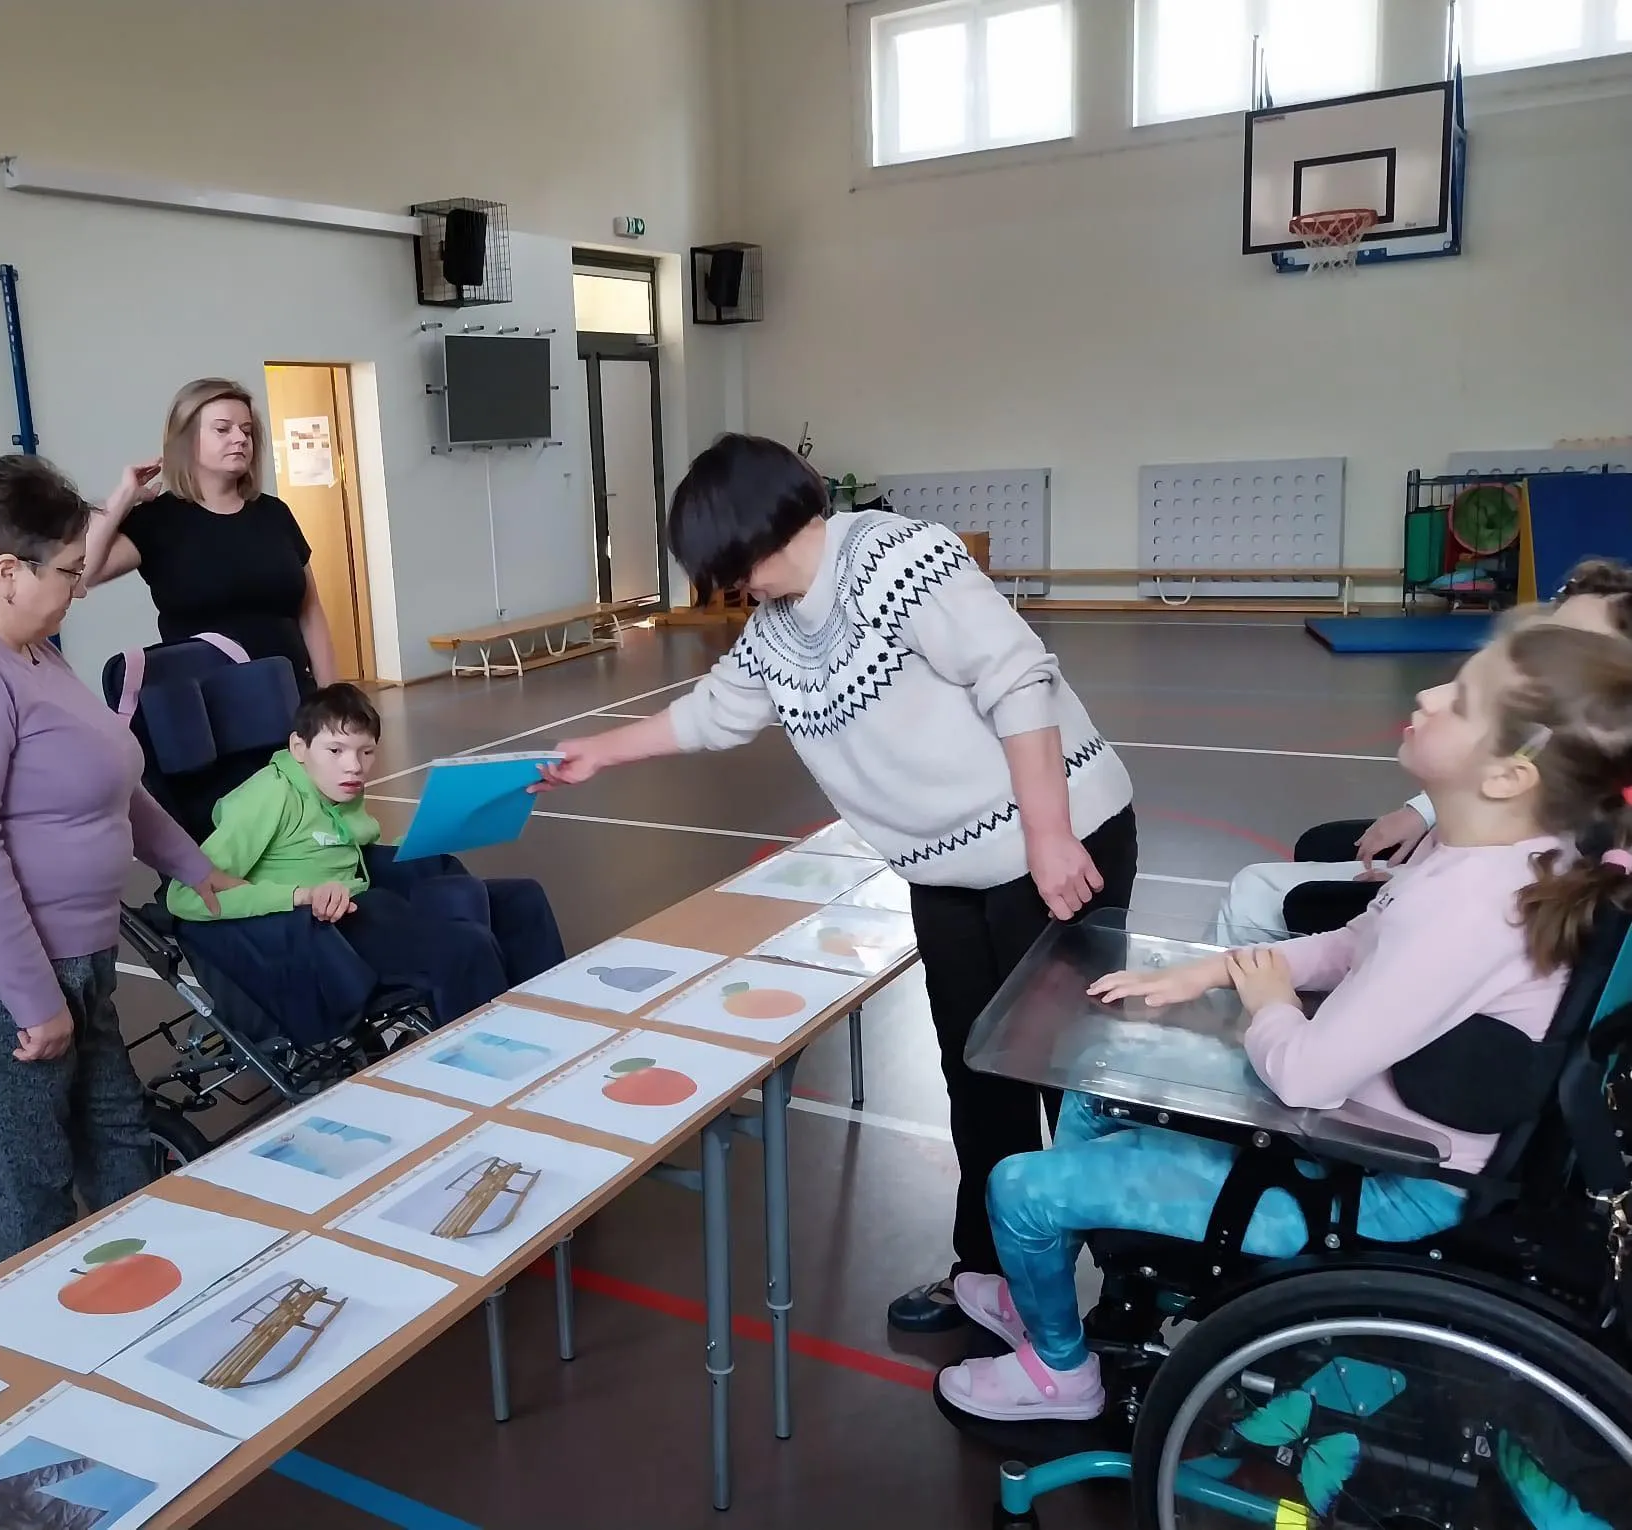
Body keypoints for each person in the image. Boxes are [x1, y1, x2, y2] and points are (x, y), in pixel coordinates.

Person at [934, 615, 1632, 1423]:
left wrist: (1264, 1003)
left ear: (1510, 776)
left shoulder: (1472, 914)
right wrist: (1215, 970)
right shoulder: (1487, 854)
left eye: (1462, 700)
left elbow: (1304, 1072)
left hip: (1379, 1177)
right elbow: (1356, 941)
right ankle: (1047, 1289)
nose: (1429, 693)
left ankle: (1062, 1373)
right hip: (1361, 1123)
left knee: (1018, 1188)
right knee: (1098, 1080)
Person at [535, 433, 1137, 1330]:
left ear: (760, 530)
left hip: (1054, 846)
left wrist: (1047, 835)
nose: (731, 590)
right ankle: (996, 1277)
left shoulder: (903, 560)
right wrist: (600, 752)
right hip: (950, 874)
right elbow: (717, 713)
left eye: (728, 567)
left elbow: (1017, 677)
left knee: (1071, 1082)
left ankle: (1137, 1298)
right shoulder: (777, 628)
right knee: (975, 1073)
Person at [0, 455, 243, 1263]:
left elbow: (107, 776)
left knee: (118, 1142)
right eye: (71, 570)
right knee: (30, 1186)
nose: (79, 587)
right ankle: (44, 1357)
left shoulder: (32, 648)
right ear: (8, 571)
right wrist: (32, 1002)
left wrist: (195, 866)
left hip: (75, 961)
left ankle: (146, 1313)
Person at [1214, 562, 1632, 945]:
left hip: (1439, 899)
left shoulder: (1558, 819)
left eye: (1570, 645)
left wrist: (1400, 891)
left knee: (1256, 891)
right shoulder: (1549, 747)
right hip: (1434, 872)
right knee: (1319, 845)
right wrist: (1423, 817)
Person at [166, 682, 565, 1022]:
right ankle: (497, 1067)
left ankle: (556, 1020)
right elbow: (186, 894)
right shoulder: (268, 797)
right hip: (318, 930)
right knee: (465, 948)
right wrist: (299, 895)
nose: (354, 767)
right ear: (299, 747)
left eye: (366, 752)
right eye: (336, 751)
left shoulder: (337, 787)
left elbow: (347, 843)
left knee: (522, 899)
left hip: (365, 897)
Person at [83, 377, 337, 693]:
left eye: (246, 431)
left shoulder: (274, 513)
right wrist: (122, 498)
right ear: (187, 439)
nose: (240, 439)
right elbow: (84, 572)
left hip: (291, 696)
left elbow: (310, 613)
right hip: (206, 709)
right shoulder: (158, 520)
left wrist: (332, 700)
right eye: (223, 429)